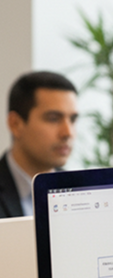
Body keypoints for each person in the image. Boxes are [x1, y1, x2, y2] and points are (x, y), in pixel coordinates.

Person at [0, 71, 79, 218]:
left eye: (73, 120)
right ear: (15, 124)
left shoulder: (79, 192)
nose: (68, 132)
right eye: (54, 119)